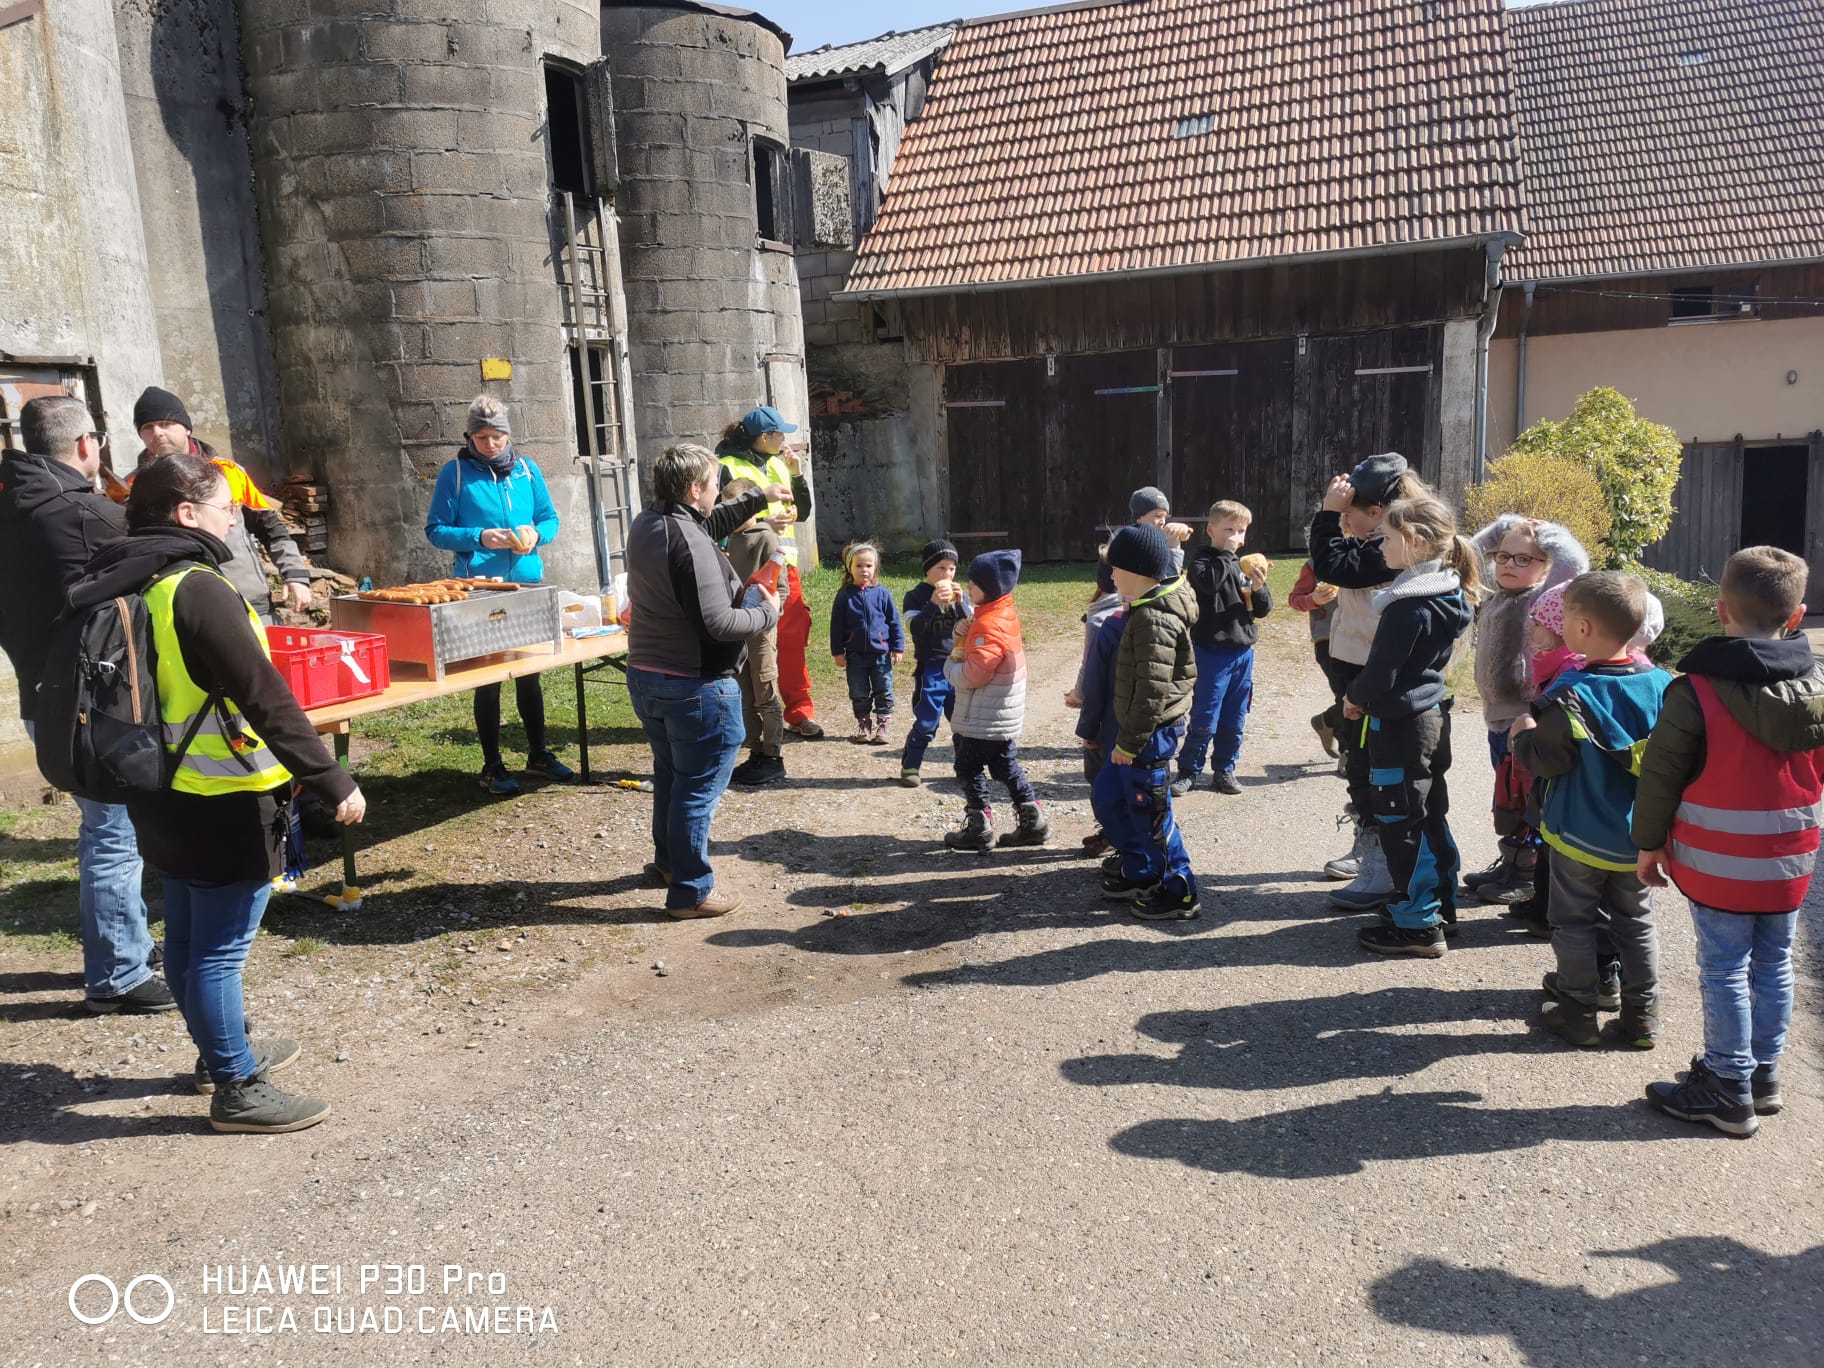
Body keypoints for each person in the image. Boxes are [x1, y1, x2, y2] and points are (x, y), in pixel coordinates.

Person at [66, 450, 365, 1132]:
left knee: (192, 935)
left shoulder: (126, 574)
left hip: (155, 788)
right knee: (218, 951)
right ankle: (236, 1085)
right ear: (187, 513)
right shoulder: (195, 587)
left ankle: (221, 1051)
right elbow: (266, 698)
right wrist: (331, 778)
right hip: (223, 794)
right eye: (227, 509)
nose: (235, 520)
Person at [1635, 547, 1823, 1136]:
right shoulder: (1819, 686)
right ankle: (1762, 1077)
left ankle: (1725, 1086)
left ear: (1720, 611)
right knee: (1775, 964)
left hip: (1718, 864)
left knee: (1723, 969)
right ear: (1797, 617)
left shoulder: (1695, 691)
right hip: (1791, 860)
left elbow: (1661, 775)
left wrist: (1648, 843)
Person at [0, 397, 174, 1014]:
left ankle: (126, 946)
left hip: (38, 695)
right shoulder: (85, 514)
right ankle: (119, 976)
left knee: (110, 828)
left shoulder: (11, 508)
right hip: (90, 701)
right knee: (112, 834)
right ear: (83, 444)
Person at [1510, 571, 1670, 1047]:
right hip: (1638, 836)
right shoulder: (1663, 685)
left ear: (1581, 630)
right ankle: (1642, 1015)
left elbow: (1546, 759)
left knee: (1574, 921)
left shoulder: (1571, 692)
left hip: (1577, 833)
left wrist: (1522, 734)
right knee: (1636, 921)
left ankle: (1577, 1009)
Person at [625, 444, 780, 917]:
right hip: (694, 686)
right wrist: (763, 614)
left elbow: (701, 527)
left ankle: (671, 865)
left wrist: (759, 498)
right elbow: (718, 624)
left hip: (648, 678)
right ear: (695, 490)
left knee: (673, 776)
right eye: (715, 484)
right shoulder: (688, 539)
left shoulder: (650, 522)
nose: (718, 491)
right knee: (697, 788)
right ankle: (691, 891)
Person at [1346, 493, 1480, 958]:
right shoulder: (1444, 592)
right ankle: (1439, 905)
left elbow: (1381, 672)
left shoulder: (1407, 606)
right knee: (1428, 815)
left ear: (1416, 541)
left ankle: (1418, 924)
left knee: (1401, 819)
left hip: (1400, 724)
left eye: (1386, 538)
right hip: (1428, 717)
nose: (1379, 547)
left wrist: (1354, 698)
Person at [424, 395, 571, 796]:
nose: (491, 444)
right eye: (482, 436)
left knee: (529, 675)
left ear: (509, 435)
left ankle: (538, 753)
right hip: (480, 588)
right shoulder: (455, 474)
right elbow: (436, 529)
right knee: (487, 680)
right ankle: (492, 764)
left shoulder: (526, 470)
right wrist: (479, 537)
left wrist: (537, 535)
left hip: (526, 582)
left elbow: (549, 518)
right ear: (469, 436)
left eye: (498, 436)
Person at [1309, 454, 1429, 907]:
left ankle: (1381, 857)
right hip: (1353, 663)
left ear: (1377, 514)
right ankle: (1370, 842)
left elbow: (1333, 566)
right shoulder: (1379, 538)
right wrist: (1336, 519)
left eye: (1348, 515)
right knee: (1359, 762)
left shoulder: (1396, 545)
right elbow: (1337, 562)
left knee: (1373, 765)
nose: (1343, 522)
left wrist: (1325, 516)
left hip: (1373, 672)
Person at [1464, 515, 1590, 905]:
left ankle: (1526, 874)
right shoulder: (1494, 594)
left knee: (1526, 796)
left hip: (1525, 716)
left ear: (1545, 566)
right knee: (1506, 795)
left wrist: (1549, 533)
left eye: (1524, 559)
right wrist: (1505, 525)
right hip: (1497, 716)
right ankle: (1510, 862)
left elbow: (1575, 565)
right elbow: (1467, 553)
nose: (1508, 565)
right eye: (1503, 556)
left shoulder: (1544, 599)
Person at [1094, 523, 1201, 920]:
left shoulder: (1154, 619)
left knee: (1152, 815)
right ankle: (1141, 870)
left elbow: (1153, 694)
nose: (1111, 576)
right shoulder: (1143, 608)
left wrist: (1129, 743)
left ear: (1138, 570)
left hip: (1148, 736)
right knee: (1108, 796)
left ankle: (1180, 889)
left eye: (1116, 569)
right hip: (1135, 734)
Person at [131, 386, 311, 622]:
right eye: (147, 427)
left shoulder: (229, 473)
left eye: (165, 424)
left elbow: (271, 528)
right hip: (181, 613)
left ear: (186, 427)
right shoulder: (135, 487)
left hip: (250, 604)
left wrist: (295, 574)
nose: (157, 433)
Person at [717, 407, 820, 737]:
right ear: (764, 437)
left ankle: (798, 712)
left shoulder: (778, 463)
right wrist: (762, 523)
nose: (784, 439)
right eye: (780, 434)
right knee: (750, 647)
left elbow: (801, 513)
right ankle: (750, 720)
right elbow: (718, 520)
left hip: (783, 568)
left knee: (792, 640)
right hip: (746, 569)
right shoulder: (725, 467)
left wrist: (797, 474)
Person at [942, 549, 1049, 852]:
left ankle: (979, 826)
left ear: (989, 587)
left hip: (983, 719)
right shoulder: (999, 613)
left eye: (973, 582)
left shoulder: (988, 625)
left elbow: (974, 674)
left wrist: (950, 666)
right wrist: (962, 629)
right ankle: (1033, 821)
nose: (968, 585)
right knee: (1004, 766)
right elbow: (979, 645)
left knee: (967, 766)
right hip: (999, 715)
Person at [1173, 499, 1270, 796]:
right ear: (1212, 530)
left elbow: (1263, 609)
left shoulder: (1245, 566)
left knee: (1235, 716)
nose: (1235, 537)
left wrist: (1258, 588)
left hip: (1243, 652)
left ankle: (1225, 769)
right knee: (1206, 714)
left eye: (1240, 531)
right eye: (1229, 529)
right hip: (1211, 652)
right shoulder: (1202, 561)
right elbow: (1210, 585)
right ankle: (1188, 770)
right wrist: (1227, 553)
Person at [719, 479, 788, 788]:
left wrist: (768, 614)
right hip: (736, 628)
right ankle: (755, 751)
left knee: (765, 689)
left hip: (759, 631)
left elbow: (781, 589)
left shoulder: (766, 539)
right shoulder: (727, 541)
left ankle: (774, 755)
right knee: (744, 691)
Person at [900, 539, 971, 787]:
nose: (948, 574)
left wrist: (962, 605)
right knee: (927, 721)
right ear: (928, 569)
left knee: (962, 721)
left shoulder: (959, 598)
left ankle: (966, 768)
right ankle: (910, 766)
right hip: (930, 667)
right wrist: (932, 604)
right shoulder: (915, 597)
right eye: (941, 568)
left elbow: (971, 629)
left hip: (957, 665)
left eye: (952, 568)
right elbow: (916, 629)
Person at [1065, 553, 1124, 852]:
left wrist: (1086, 723)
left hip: (1105, 719)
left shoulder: (1101, 618)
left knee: (1100, 777)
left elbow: (1091, 672)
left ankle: (1113, 835)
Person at [1288, 558, 1341, 762]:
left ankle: (1326, 722)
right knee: (1345, 697)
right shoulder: (1315, 565)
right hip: (1327, 640)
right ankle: (1349, 755)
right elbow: (1295, 599)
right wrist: (1314, 600)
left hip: (1365, 639)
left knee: (1361, 698)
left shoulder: (1372, 557)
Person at [1126, 486, 1192, 573]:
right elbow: (1165, 582)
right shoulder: (1129, 545)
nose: (1163, 522)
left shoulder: (1155, 543)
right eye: (1158, 516)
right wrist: (1174, 550)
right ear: (1139, 518)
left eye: (1165, 517)